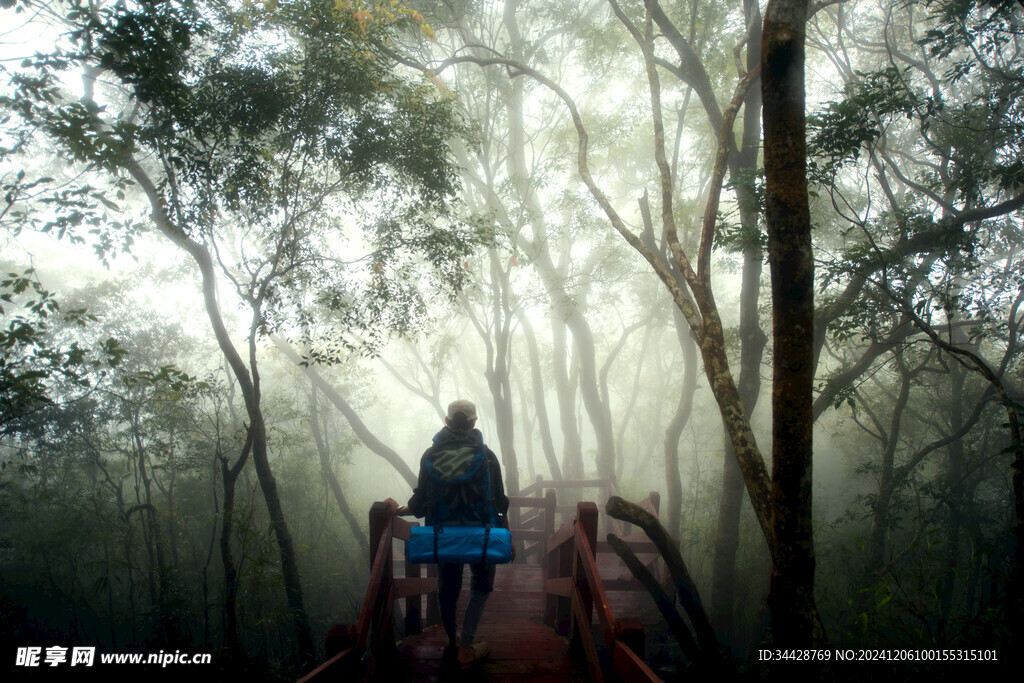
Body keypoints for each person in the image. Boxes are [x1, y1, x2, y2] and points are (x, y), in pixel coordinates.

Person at [398, 399, 512, 669]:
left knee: (447, 590)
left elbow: (421, 500)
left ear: (448, 422)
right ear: (473, 423)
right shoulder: (486, 456)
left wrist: (400, 509)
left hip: (443, 535)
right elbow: (498, 501)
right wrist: (507, 534)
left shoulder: (430, 455)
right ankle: (465, 646)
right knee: (481, 588)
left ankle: (452, 638)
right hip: (483, 534)